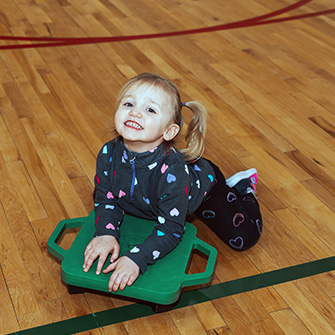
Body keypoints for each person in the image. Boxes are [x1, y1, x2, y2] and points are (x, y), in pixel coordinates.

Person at [83, 73, 263, 292]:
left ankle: (243, 189)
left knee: (244, 238)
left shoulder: (173, 171)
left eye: (150, 110)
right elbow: (105, 198)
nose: (135, 112)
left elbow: (171, 229)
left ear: (169, 131)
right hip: (153, 200)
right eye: (128, 103)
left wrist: (136, 258)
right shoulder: (107, 153)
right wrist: (106, 233)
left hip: (205, 189)